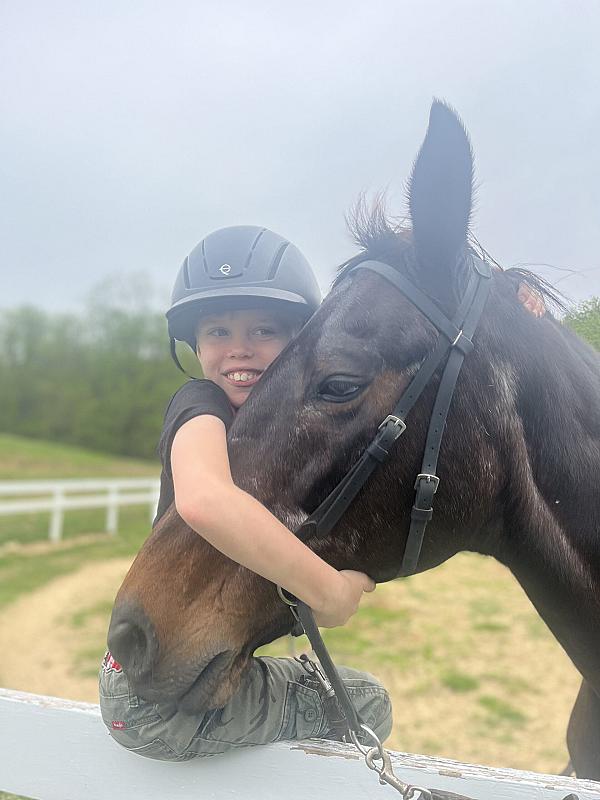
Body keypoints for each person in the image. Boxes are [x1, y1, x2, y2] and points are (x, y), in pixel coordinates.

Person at [99, 225, 393, 761]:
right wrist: (329, 594)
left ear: (301, 339)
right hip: (151, 694)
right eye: (217, 332)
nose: (239, 349)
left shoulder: (287, 428)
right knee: (368, 704)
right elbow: (204, 499)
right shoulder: (200, 404)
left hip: (180, 664)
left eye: (263, 330)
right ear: (194, 345)